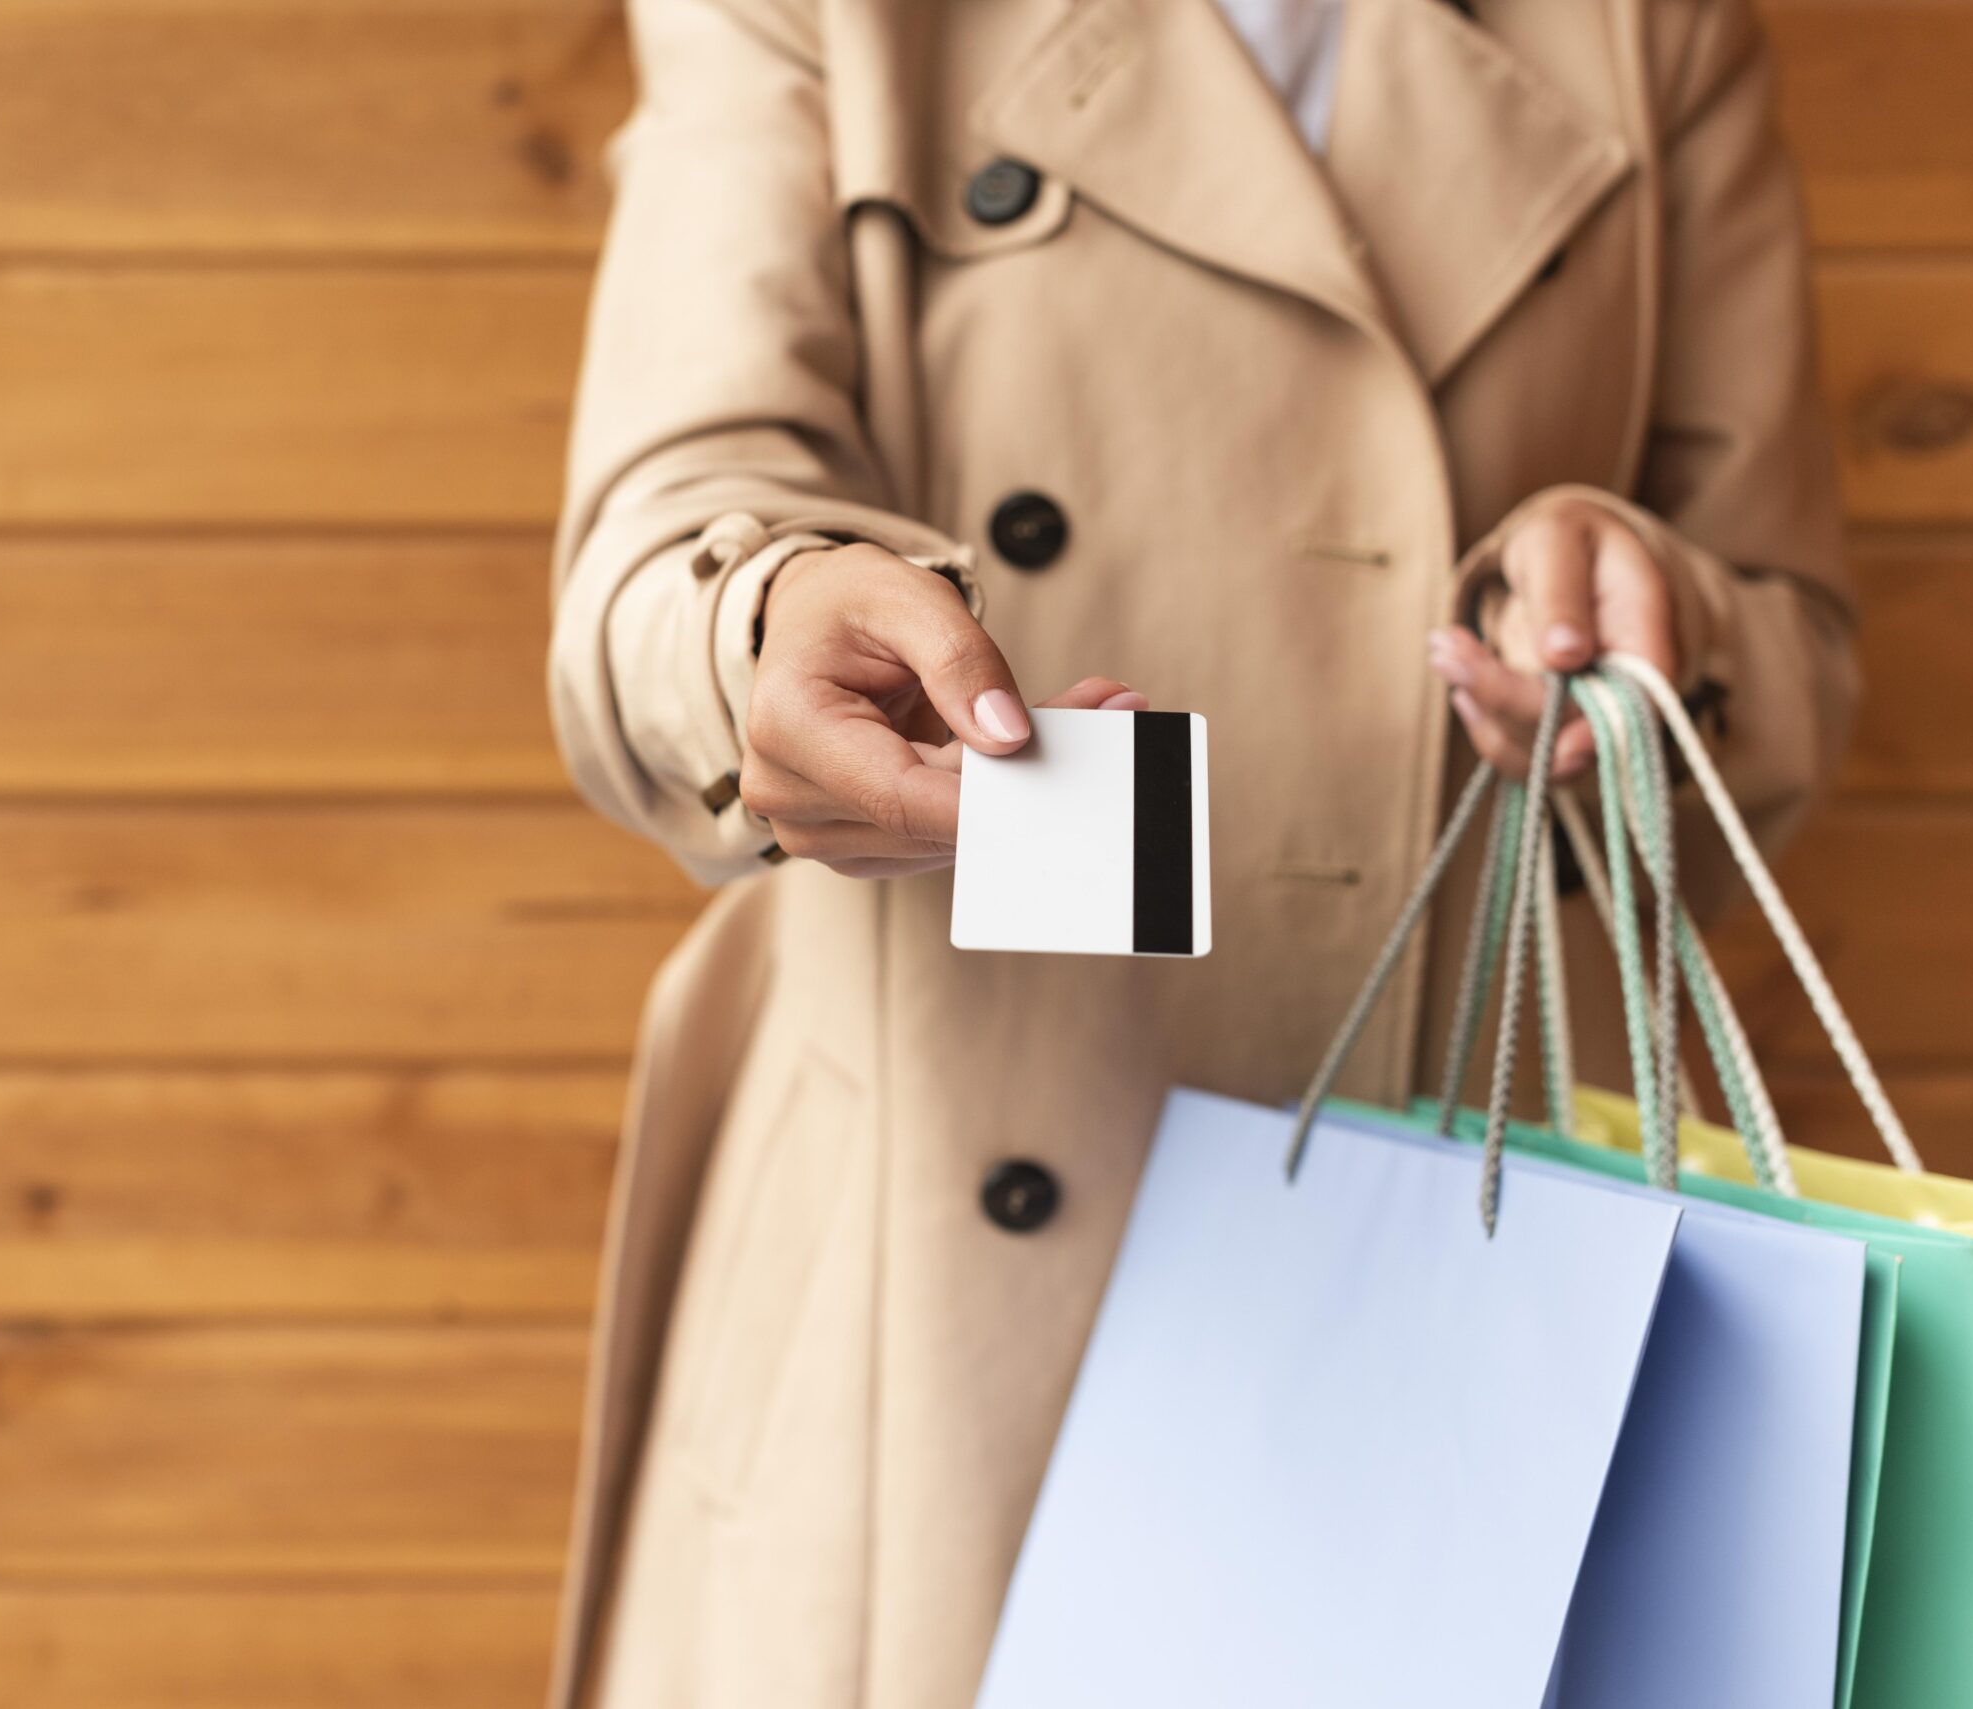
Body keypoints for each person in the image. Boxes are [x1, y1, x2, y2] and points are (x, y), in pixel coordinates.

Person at [544, 0, 1856, 1702]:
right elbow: (659, 536)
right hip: (952, 1242)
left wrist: (1642, 623)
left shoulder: (1641, 26)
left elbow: (1794, 650)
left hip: (1475, 1220)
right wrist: (763, 626)